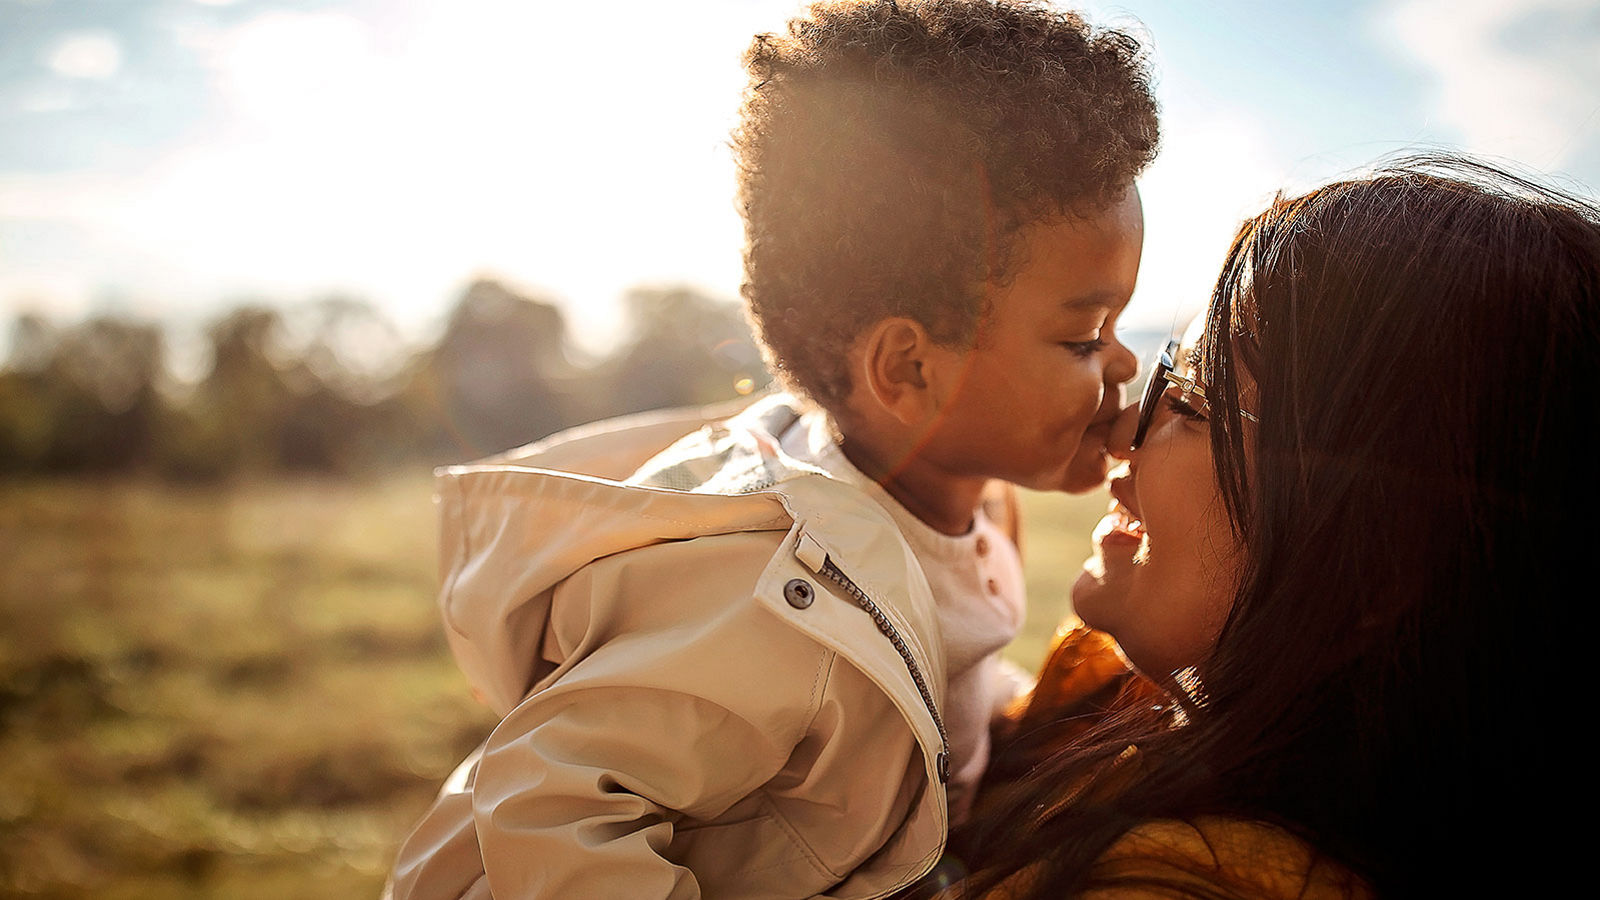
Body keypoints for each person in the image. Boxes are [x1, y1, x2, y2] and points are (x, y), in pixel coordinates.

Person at [386, 2, 1159, 897]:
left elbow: (931, 687)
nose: (1125, 363)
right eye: (1084, 337)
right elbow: (547, 802)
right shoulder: (766, 589)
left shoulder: (960, 505)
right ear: (908, 368)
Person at [949, 155, 1600, 899]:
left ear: (1381, 557)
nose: (1124, 430)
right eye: (1167, 377)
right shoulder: (1132, 706)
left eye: (1195, 402)